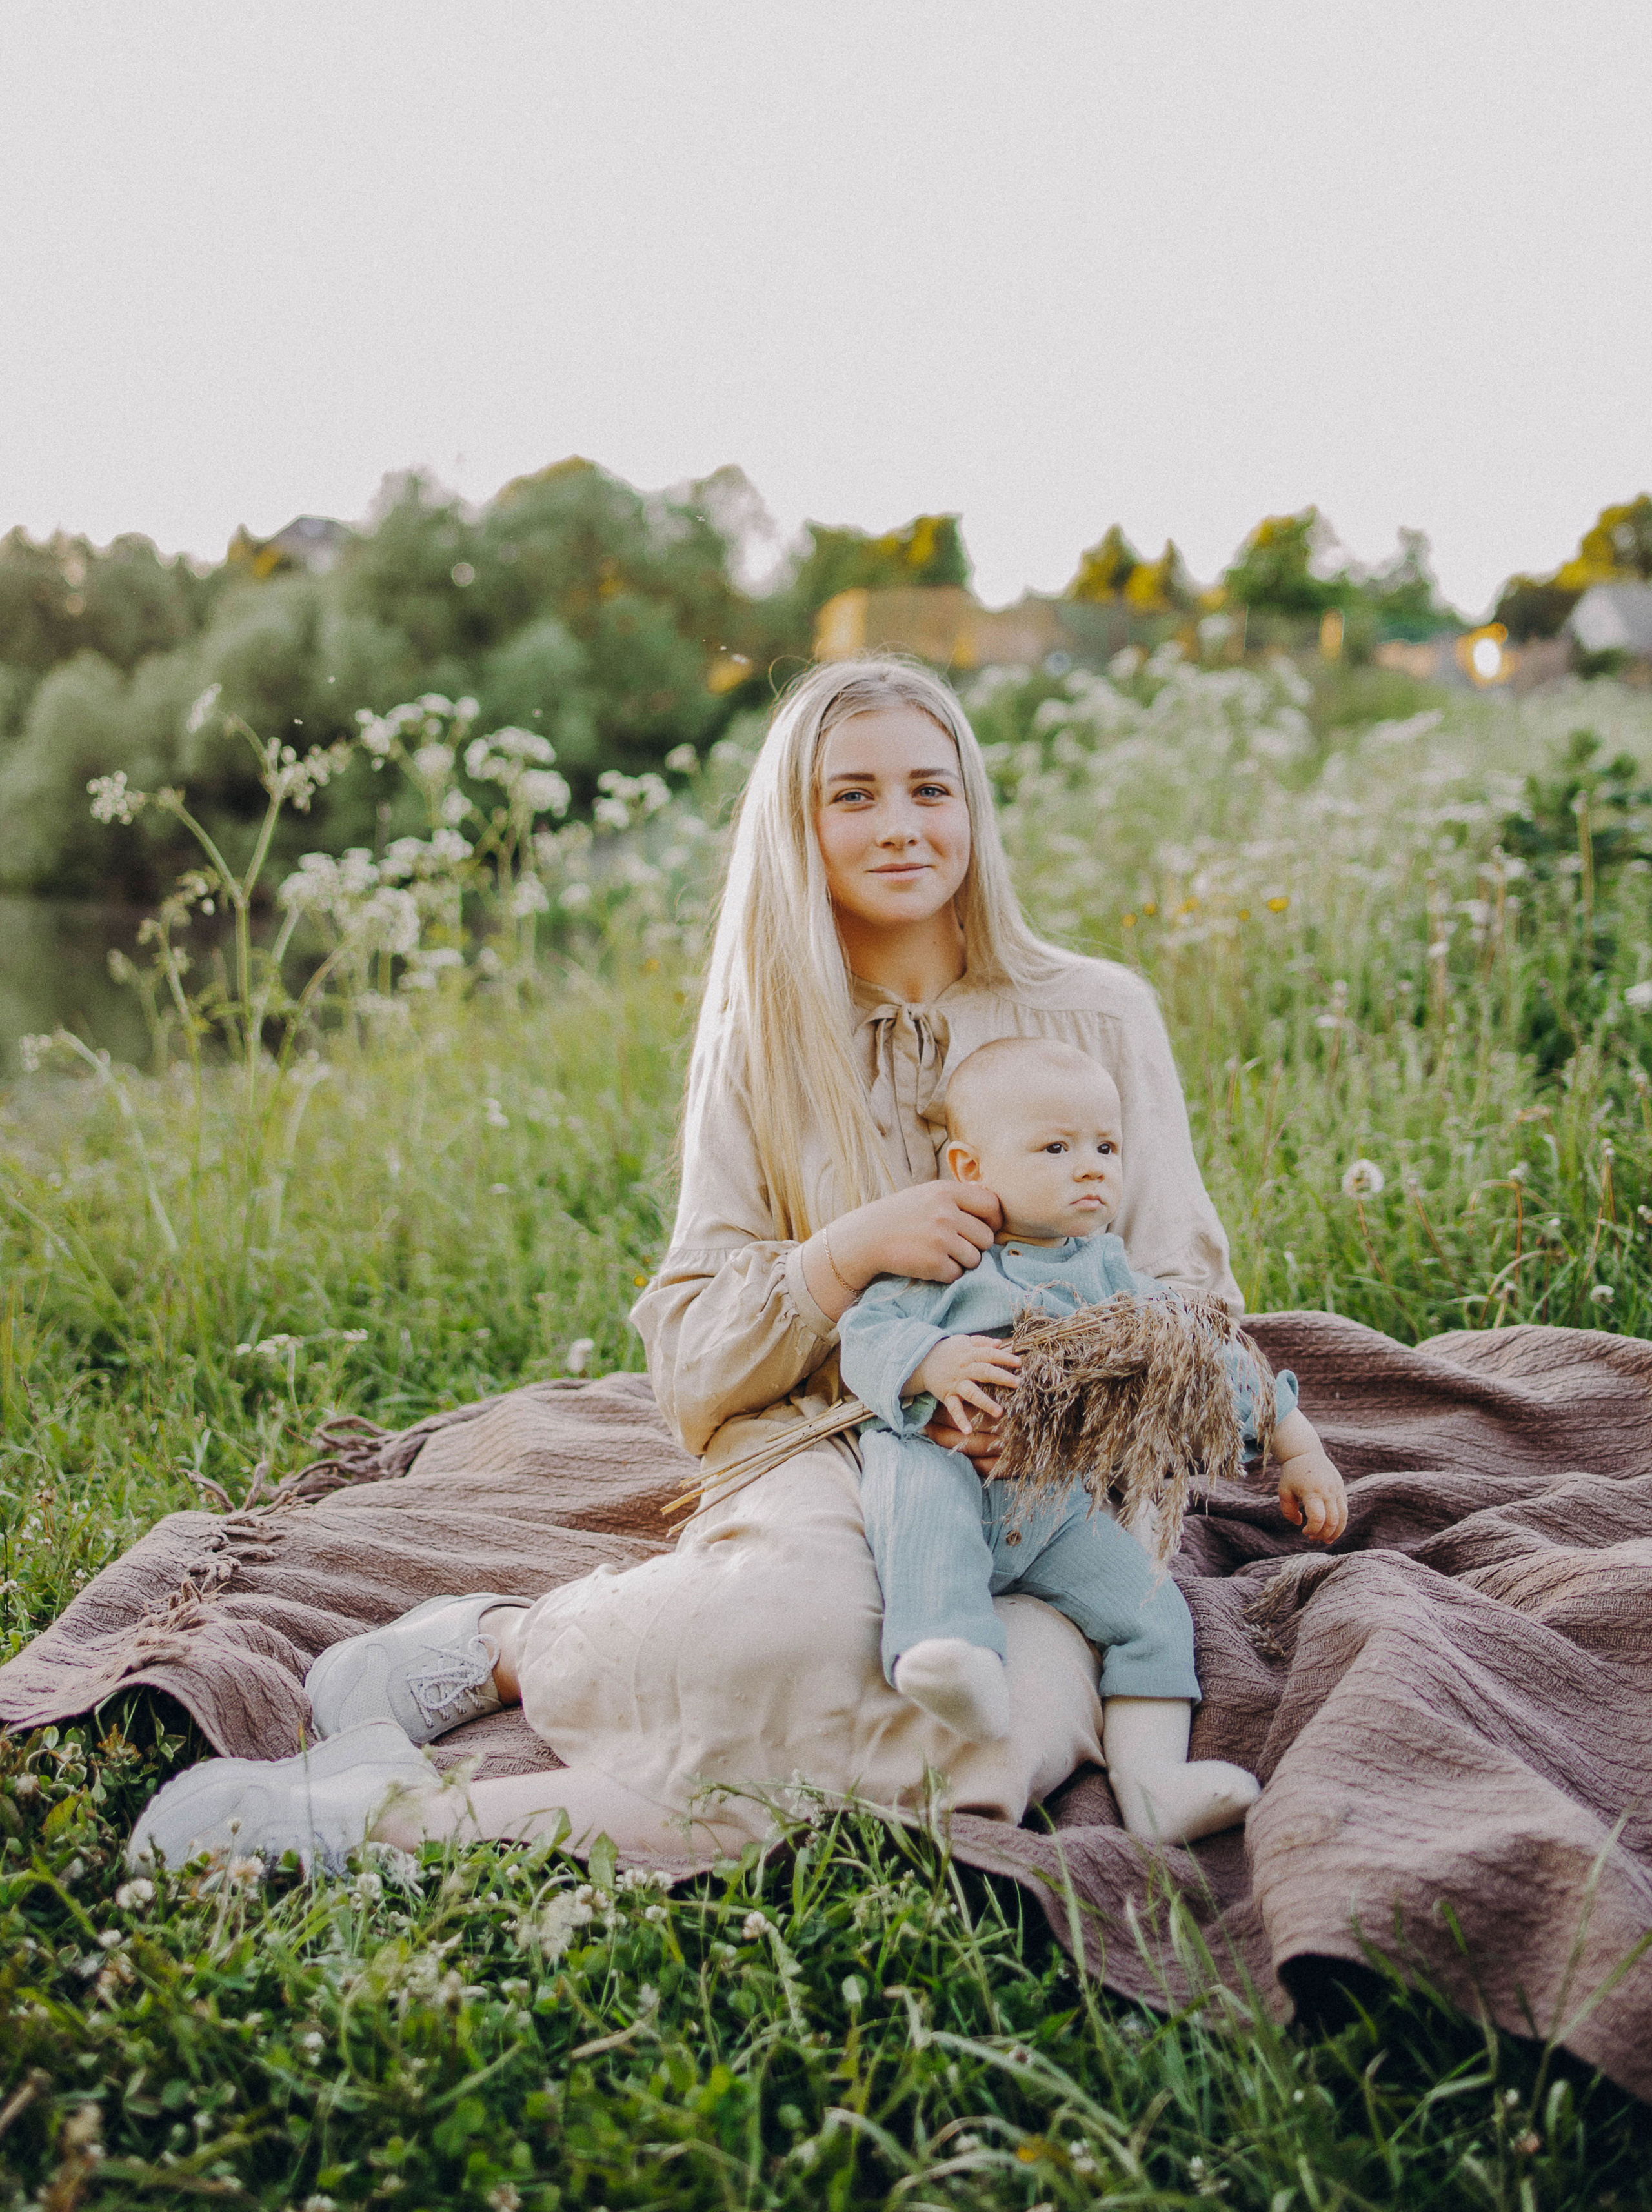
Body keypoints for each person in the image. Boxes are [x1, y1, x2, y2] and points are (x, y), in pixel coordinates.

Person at [129, 658, 1267, 1872]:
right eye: (854, 796)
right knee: (790, 1632)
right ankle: (510, 1644)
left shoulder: (1099, 1015)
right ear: (800, 828)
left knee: (987, 1747)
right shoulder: (766, 1045)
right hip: (832, 1440)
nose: (900, 827)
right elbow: (693, 1361)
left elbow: (1193, 1304)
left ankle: (369, 1823)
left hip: (1061, 1499)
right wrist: (842, 1257)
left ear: (975, 809)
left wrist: (1052, 1409)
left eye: (932, 789)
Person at [840, 1032, 1346, 1845]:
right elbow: (861, 1338)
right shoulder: (947, 1267)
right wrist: (931, 1360)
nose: (1091, 1167)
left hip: (1053, 1514)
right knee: (921, 1505)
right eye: (1055, 1147)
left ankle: (1152, 1784)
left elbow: (1213, 1363)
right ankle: (948, 1653)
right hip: (949, 1476)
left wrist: (1298, 1447)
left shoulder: (1114, 1280)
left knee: (1153, 1612)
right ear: (969, 1170)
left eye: (1105, 1146)